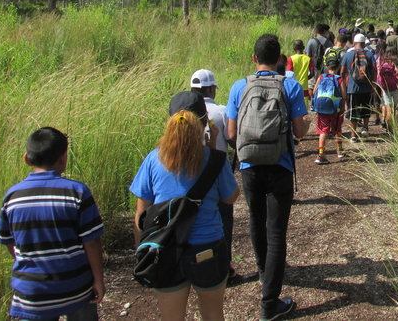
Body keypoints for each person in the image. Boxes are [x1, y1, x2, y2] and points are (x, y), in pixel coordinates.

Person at [131, 92, 239, 321]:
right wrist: (212, 147)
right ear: (204, 122)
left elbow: (141, 213)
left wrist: (141, 251)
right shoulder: (215, 159)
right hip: (208, 248)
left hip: (165, 249)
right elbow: (230, 198)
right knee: (213, 314)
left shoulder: (153, 159)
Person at [226, 34, 309, 321]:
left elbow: (232, 134)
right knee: (276, 232)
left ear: (254, 58)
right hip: (280, 166)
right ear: (280, 60)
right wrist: (305, 125)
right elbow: (299, 133)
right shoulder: (291, 86)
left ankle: (263, 273)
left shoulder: (239, 87)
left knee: (255, 222)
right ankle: (269, 302)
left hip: (249, 168)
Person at [0, 127, 105, 321]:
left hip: (32, 292)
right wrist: (98, 280)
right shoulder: (77, 192)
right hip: (76, 287)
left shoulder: (12, 197)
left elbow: (8, 241)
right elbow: (92, 242)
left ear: (27, 159)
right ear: (64, 158)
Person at [189, 69, 238, 280]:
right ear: (211, 89)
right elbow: (231, 139)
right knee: (223, 220)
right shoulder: (221, 111)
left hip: (188, 175)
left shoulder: (183, 114)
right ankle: (223, 266)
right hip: (217, 171)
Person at [340, 33, 376, 140]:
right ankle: (365, 128)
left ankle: (353, 135)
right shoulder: (369, 54)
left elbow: (342, 72)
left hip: (352, 88)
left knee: (353, 112)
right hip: (367, 88)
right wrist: (373, 85)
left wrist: (344, 84)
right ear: (364, 43)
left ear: (354, 43)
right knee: (366, 109)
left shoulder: (347, 55)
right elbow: (374, 70)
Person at [312, 58, 347, 164]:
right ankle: (340, 151)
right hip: (335, 108)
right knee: (337, 129)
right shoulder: (339, 79)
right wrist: (342, 107)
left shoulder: (321, 76)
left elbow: (314, 91)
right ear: (338, 67)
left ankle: (321, 154)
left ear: (327, 67)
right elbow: (344, 95)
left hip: (322, 108)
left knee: (323, 130)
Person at [306, 24, 332, 103]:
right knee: (323, 84)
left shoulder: (311, 41)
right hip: (325, 68)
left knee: (311, 85)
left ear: (316, 31)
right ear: (324, 31)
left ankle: (313, 103)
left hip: (313, 67)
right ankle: (321, 101)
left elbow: (307, 56)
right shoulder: (328, 42)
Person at [287, 39, 312, 110]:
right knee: (303, 110)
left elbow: (289, 73)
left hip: (293, 86)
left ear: (293, 48)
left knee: (293, 108)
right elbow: (312, 73)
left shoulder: (291, 59)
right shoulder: (308, 59)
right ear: (304, 47)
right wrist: (306, 78)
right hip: (304, 87)